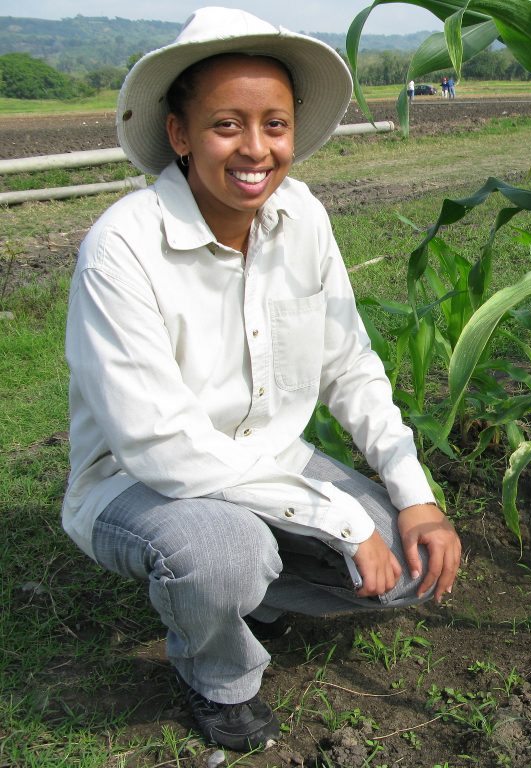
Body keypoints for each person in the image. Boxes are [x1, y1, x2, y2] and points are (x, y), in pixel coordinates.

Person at [62, 6, 461, 754]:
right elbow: (163, 448)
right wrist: (339, 523)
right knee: (222, 554)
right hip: (136, 482)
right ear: (179, 134)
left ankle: (254, 587)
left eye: (274, 124)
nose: (256, 149)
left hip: (267, 459)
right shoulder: (123, 249)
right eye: (226, 125)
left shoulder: (302, 218)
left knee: (406, 568)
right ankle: (215, 673)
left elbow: (349, 363)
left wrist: (415, 497)